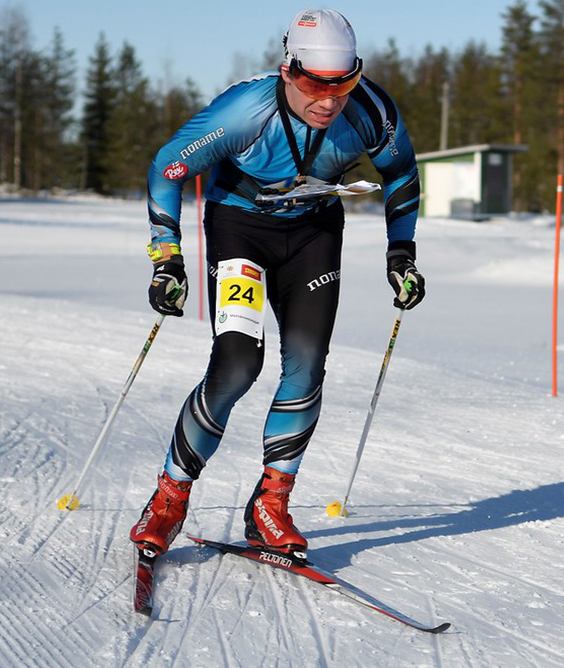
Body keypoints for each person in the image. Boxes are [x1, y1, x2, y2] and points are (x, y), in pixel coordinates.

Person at [129, 8, 424, 558]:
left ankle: (271, 505)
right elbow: (167, 168)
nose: (329, 99)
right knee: (238, 363)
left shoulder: (371, 111)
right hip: (240, 229)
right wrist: (166, 257)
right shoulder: (244, 111)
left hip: (312, 234)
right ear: (288, 71)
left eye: (344, 83)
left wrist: (401, 251)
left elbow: (402, 172)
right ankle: (171, 495)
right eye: (315, 83)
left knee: (308, 365)